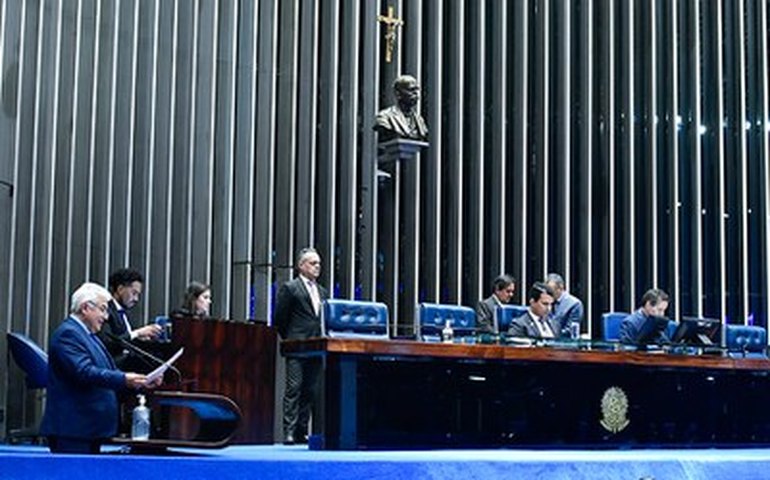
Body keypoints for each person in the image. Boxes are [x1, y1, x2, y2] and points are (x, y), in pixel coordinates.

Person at [40, 282, 161, 453]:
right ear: (85, 308)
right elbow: (85, 372)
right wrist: (124, 379)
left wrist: (139, 382)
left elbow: (109, 371)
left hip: (89, 429)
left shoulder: (91, 336)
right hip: (73, 430)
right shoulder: (68, 334)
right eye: (103, 309)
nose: (106, 317)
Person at [274, 247, 328, 445]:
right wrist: (291, 338)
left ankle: (302, 431)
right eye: (313, 263)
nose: (317, 267)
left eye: (319, 264)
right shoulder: (291, 288)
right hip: (297, 346)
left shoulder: (322, 291)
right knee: (293, 388)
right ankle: (288, 431)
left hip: (316, 345)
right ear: (301, 265)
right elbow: (280, 319)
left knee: (310, 391)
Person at [99, 268, 162, 370]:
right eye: (134, 293)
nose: (136, 299)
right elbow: (109, 343)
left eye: (138, 295)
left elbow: (126, 338)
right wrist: (137, 333)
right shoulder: (106, 310)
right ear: (120, 289)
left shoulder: (123, 313)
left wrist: (140, 338)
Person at [375, 75, 429, 143]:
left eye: (417, 90)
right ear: (398, 94)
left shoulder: (419, 120)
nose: (416, 93)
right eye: (411, 90)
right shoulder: (384, 116)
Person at [545, 273, 585, 337]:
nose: (548, 294)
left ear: (560, 288)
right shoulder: (545, 302)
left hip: (565, 344)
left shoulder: (574, 304)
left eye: (551, 291)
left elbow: (570, 331)